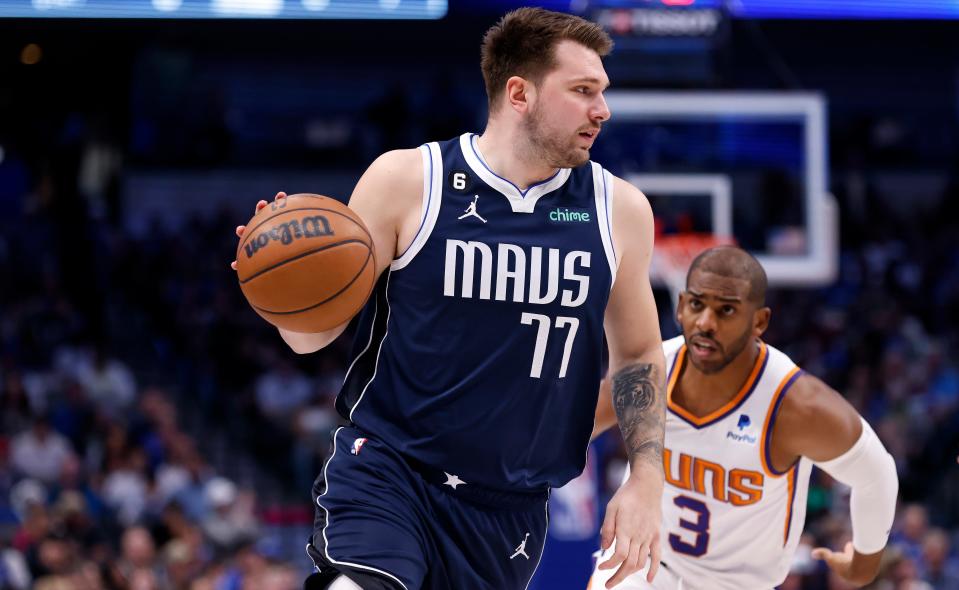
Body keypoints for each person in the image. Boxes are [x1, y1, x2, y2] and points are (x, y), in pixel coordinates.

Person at [231, 8, 668, 590]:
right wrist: (285, 289)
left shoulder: (620, 211)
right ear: (520, 93)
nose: (602, 110)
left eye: (603, 92)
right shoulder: (408, 181)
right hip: (391, 471)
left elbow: (638, 354)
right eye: (583, 90)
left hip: (508, 510)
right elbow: (311, 338)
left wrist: (646, 479)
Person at [588, 246, 899, 590]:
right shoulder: (650, 372)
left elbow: (877, 474)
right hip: (641, 565)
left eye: (726, 311)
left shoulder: (797, 406)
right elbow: (571, 430)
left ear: (759, 322)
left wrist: (863, 566)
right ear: (680, 307)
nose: (706, 323)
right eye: (697, 304)